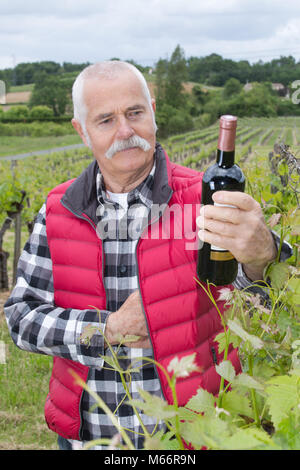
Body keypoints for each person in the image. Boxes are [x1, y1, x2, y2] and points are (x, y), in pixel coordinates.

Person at [4, 61, 292, 450]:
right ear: (81, 131)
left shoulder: (203, 199)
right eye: (105, 120)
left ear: (153, 112)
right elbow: (21, 317)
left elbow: (252, 295)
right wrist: (106, 330)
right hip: (92, 439)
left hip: (191, 438)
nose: (126, 131)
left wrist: (263, 255)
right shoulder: (58, 210)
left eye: (135, 112)